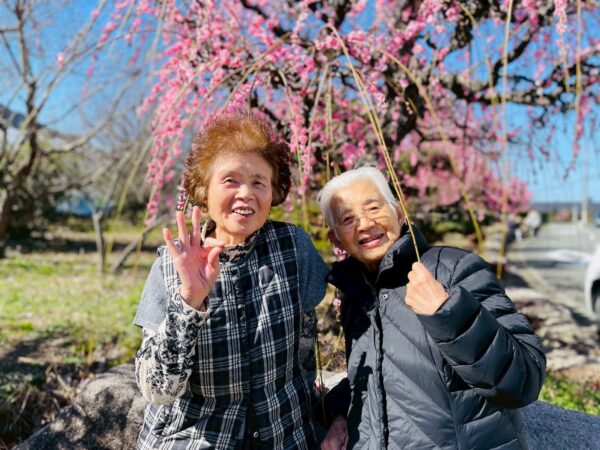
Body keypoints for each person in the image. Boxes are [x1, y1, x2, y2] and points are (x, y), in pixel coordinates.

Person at [133, 113, 329, 449]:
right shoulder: (170, 266)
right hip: (196, 439)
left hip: (284, 436)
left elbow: (305, 351)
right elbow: (158, 390)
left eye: (259, 182)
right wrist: (189, 302)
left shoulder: (294, 248)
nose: (246, 194)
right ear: (204, 190)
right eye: (230, 180)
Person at [317, 167, 546, 450]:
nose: (364, 224)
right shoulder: (356, 293)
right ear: (335, 239)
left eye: (373, 208)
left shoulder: (454, 268)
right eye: (348, 219)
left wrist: (449, 313)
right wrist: (341, 412)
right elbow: (384, 373)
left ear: (398, 213)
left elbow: (525, 379)